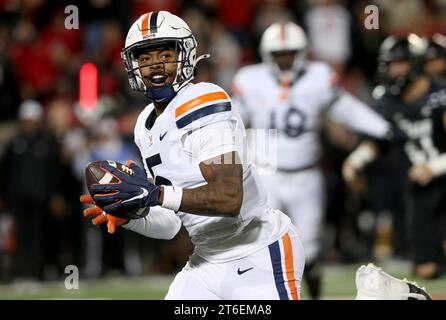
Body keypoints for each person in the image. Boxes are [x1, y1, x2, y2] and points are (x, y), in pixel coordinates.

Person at [81, 11, 305, 300]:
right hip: (206, 262)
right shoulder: (145, 123)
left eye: (164, 55)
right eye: (145, 59)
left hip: (259, 252)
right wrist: (131, 213)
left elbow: (229, 197)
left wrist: (155, 194)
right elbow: (173, 224)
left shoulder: (203, 101)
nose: (154, 66)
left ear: (185, 55)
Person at [231, 21, 393, 299]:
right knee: (263, 244)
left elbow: (348, 109)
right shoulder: (250, 79)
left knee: (310, 248)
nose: (285, 60)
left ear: (303, 52)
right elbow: (231, 119)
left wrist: (383, 128)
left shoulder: (318, 76)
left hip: (307, 173)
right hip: (266, 171)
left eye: (290, 53)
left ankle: (314, 296)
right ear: (266, 54)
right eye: (279, 54)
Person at [343, 34, 446, 280]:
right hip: (420, 188)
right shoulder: (388, 101)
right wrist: (356, 161)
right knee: (426, 270)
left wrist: (435, 166)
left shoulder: (440, 96)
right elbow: (381, 140)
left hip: (443, 179)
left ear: (417, 62)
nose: (394, 71)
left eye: (400, 63)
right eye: (390, 65)